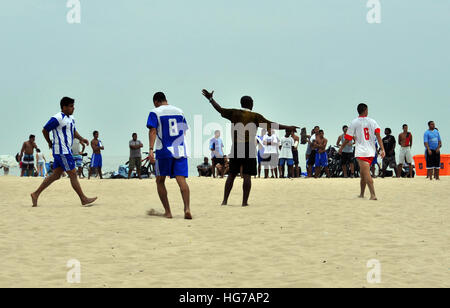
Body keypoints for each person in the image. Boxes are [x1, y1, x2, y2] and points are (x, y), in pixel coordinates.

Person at [202, 89, 296, 207]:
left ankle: (225, 200)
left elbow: (219, 109)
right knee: (247, 176)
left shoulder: (234, 113)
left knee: (231, 174)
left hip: (236, 147)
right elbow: (272, 124)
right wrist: (289, 127)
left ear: (241, 103)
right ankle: (244, 202)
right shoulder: (255, 116)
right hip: (249, 147)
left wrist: (210, 99)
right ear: (251, 104)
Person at [30, 97, 97, 207]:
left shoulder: (71, 118)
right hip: (62, 151)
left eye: (73, 106)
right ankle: (83, 199)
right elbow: (45, 130)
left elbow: (73, 131)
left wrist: (81, 139)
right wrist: (49, 142)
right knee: (73, 174)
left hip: (65, 151)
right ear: (64, 107)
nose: (73, 108)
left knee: (56, 175)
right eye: (71, 106)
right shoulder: (57, 118)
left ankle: (35, 194)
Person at [147, 92, 192, 219]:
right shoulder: (179, 111)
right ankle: (187, 209)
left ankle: (168, 212)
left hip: (164, 151)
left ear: (156, 101)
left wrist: (151, 149)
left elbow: (153, 131)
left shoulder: (155, 112)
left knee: (160, 180)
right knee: (181, 180)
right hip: (180, 150)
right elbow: (184, 130)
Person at [339, 103, 385, 200]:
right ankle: (362, 194)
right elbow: (378, 135)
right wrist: (382, 148)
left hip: (361, 152)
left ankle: (373, 195)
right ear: (365, 110)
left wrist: (341, 148)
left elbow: (347, 138)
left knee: (366, 173)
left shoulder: (354, 122)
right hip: (371, 151)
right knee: (363, 173)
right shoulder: (373, 121)